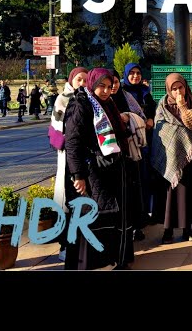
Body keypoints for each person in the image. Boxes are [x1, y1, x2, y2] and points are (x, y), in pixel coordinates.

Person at [63, 68, 134, 270]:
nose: (105, 90)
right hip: (91, 170)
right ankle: (87, 264)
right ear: (92, 84)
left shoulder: (108, 104)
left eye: (109, 86)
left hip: (112, 168)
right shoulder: (81, 105)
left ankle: (114, 259)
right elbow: (73, 143)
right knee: (91, 216)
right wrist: (78, 175)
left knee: (110, 216)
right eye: (101, 86)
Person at [151, 73, 192, 244]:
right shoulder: (162, 106)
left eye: (181, 87)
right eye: (174, 89)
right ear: (168, 89)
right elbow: (160, 132)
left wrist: (184, 107)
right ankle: (167, 231)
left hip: (191, 158)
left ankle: (188, 228)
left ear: (186, 87)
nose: (178, 91)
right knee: (169, 198)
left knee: (188, 195)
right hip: (169, 160)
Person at [50, 66, 88, 262]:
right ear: (72, 80)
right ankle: (65, 245)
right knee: (68, 202)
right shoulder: (62, 99)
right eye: (79, 80)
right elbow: (55, 130)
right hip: (67, 158)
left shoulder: (89, 100)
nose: (82, 84)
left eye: (85, 80)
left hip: (84, 159)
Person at [110, 69, 148, 242]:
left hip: (131, 151)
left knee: (133, 189)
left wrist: (128, 116)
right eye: (108, 83)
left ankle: (136, 226)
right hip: (109, 156)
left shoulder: (126, 97)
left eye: (115, 82)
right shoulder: (96, 101)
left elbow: (141, 115)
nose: (111, 87)